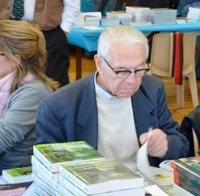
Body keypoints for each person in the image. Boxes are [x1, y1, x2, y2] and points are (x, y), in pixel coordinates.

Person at [36, 25, 189, 169]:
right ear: (99, 63)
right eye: (122, 71)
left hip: (146, 184)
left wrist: (165, 146)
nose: (132, 80)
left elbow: (181, 146)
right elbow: (49, 170)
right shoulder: (59, 106)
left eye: (139, 69)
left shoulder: (152, 89)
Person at [0, 20, 57, 170]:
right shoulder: (6, 81)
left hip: (12, 172)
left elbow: (2, 138)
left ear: (15, 59)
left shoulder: (33, 92)